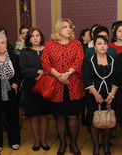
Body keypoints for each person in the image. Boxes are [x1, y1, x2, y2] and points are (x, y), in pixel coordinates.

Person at [41, 18, 85, 155]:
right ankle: (62, 143)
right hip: (56, 86)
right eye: (65, 26)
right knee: (60, 116)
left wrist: (67, 74)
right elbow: (45, 62)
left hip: (73, 84)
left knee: (73, 117)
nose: (68, 29)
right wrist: (59, 76)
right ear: (58, 29)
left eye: (70, 27)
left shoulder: (77, 44)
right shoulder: (49, 44)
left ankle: (74, 143)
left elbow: (79, 60)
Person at [82, 35, 118, 155]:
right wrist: (96, 94)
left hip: (110, 95)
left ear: (108, 46)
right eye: (99, 43)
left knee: (108, 120)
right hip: (93, 94)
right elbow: (86, 78)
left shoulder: (113, 60)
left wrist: (111, 95)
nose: (102, 46)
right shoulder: (88, 60)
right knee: (95, 120)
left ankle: (106, 145)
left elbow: (116, 79)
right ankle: (96, 147)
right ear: (94, 47)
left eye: (104, 43)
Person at [19, 27, 50, 151]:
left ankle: (44, 140)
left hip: (45, 86)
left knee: (44, 114)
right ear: (28, 39)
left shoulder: (47, 50)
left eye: (37, 35)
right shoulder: (24, 52)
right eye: (32, 36)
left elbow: (52, 65)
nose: (35, 38)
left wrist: (43, 74)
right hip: (30, 86)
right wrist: (37, 72)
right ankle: (37, 141)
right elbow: (23, 69)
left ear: (41, 37)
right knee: (34, 115)